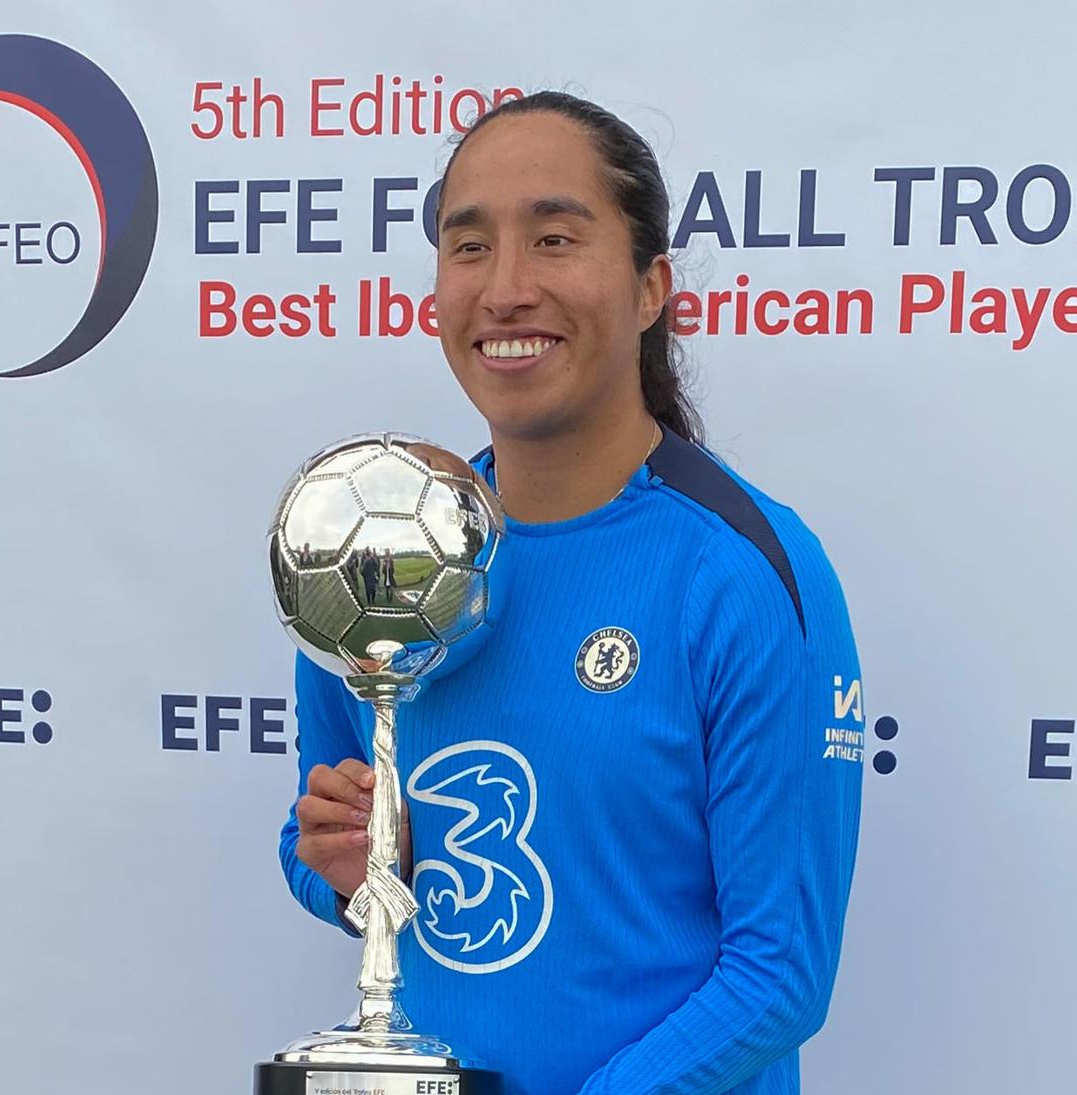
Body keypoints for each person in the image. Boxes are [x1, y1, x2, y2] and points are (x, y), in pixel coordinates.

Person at [279, 91, 865, 1095]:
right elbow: (313, 850)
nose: (507, 289)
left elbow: (780, 975)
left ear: (649, 288)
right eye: (470, 247)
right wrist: (354, 867)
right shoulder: (378, 552)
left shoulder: (738, 574)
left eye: (554, 239)